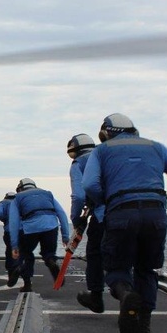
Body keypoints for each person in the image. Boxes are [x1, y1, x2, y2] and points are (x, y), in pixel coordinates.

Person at [82, 113, 167, 333]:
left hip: (120, 213)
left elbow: (89, 185)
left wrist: (106, 202)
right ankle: (143, 330)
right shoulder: (156, 147)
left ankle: (125, 293)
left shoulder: (101, 151)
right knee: (147, 270)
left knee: (116, 267)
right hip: (156, 214)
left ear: (105, 134)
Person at [7, 178, 70, 293]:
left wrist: (14, 245)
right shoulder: (47, 194)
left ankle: (25, 280)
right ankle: (51, 261)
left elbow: (14, 222)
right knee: (48, 253)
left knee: (26, 254)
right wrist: (65, 236)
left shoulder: (17, 198)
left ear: (20, 188)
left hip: (30, 227)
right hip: (51, 225)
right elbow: (61, 213)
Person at [67, 133, 107, 313]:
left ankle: (96, 297)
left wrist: (76, 219)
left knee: (95, 254)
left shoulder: (79, 164)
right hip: (125, 211)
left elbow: (78, 196)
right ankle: (127, 295)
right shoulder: (107, 155)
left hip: (101, 215)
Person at [0, 191, 20, 287]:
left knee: (10, 251)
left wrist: (6, 220)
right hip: (22, 230)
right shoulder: (19, 202)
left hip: (9, 231)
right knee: (24, 251)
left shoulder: (3, 203)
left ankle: (12, 273)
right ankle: (21, 268)